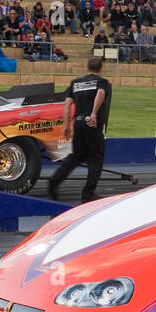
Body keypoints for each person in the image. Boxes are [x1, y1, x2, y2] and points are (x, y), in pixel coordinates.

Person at [48, 57, 112, 203]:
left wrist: (66, 125)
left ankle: (55, 180)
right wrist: (94, 114)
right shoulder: (102, 82)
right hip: (92, 123)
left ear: (87, 67)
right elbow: (100, 94)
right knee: (96, 157)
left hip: (78, 122)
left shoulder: (75, 83)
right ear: (101, 69)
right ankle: (88, 193)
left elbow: (67, 104)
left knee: (76, 156)